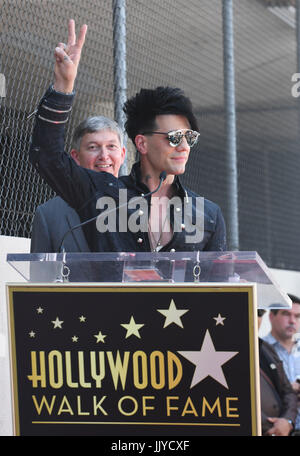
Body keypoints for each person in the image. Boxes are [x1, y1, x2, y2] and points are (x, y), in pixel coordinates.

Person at [29, 19, 226, 256]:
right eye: (174, 137)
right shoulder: (103, 193)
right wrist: (63, 85)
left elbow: (217, 288)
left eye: (190, 137)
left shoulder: (208, 214)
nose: (184, 146)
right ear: (142, 143)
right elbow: (48, 157)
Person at [30, 116, 125, 252]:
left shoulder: (141, 204)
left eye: (111, 146)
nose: (104, 155)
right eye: (93, 147)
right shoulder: (48, 214)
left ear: (122, 155)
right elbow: (40, 272)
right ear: (76, 157)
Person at [263, 295, 300, 435]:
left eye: (297, 316)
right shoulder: (259, 350)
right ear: (271, 316)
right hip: (275, 428)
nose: (292, 321)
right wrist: (291, 389)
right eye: (286, 314)